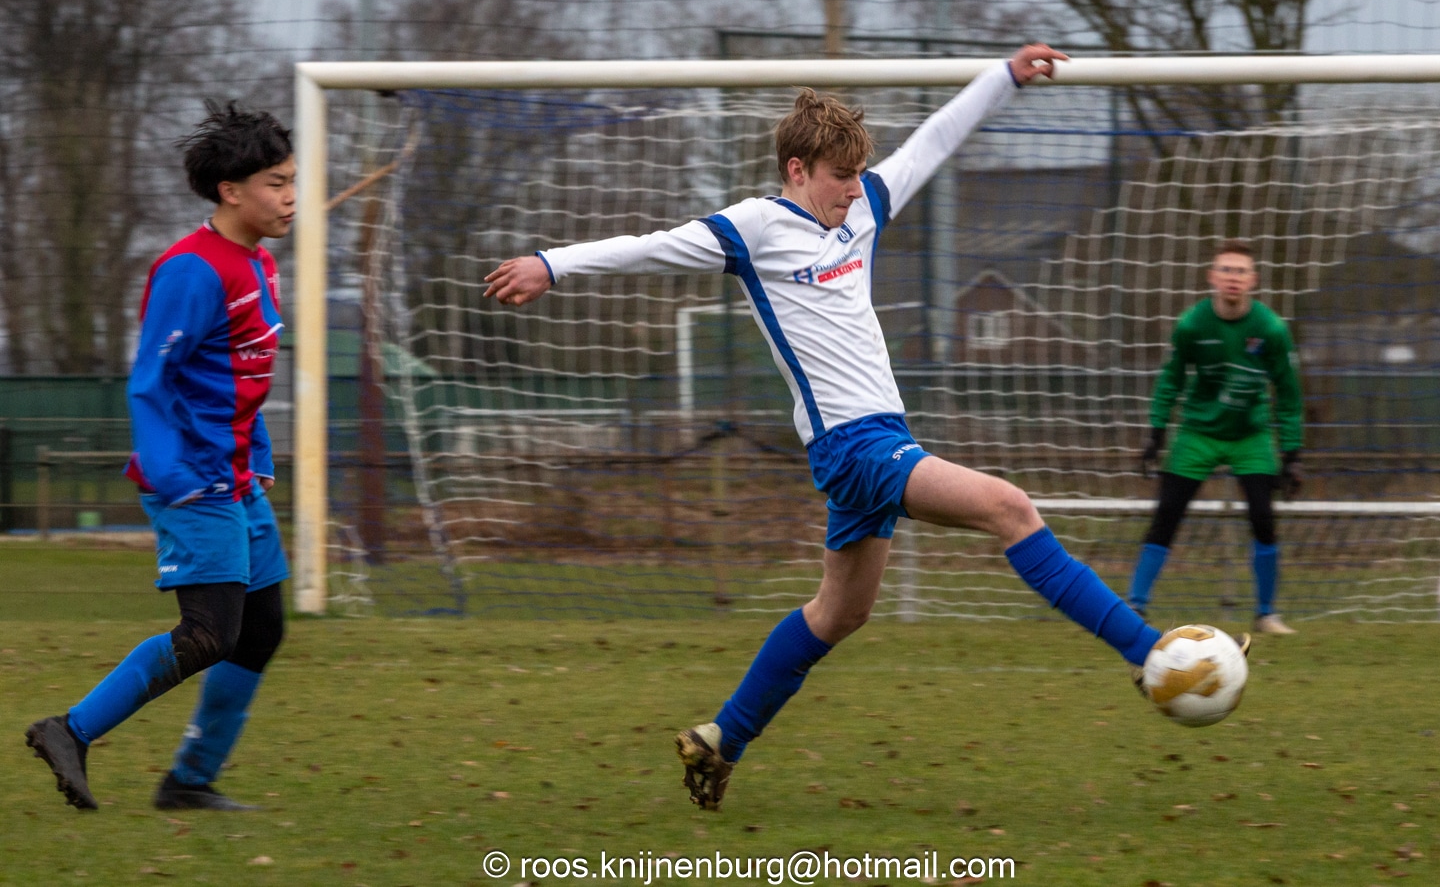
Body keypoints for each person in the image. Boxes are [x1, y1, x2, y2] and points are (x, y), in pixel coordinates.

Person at [485, 44, 1217, 813]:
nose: (852, 189)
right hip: (854, 446)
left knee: (840, 613)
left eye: (858, 174)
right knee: (1010, 507)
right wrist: (551, 264)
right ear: (797, 168)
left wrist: (1003, 76)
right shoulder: (755, 227)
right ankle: (1153, 657)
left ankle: (722, 738)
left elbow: (936, 139)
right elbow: (651, 247)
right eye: (840, 175)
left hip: (874, 440)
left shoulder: (862, 207)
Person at [25, 101, 294, 811]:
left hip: (237, 476)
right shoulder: (191, 271)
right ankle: (69, 730)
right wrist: (173, 475)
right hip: (194, 480)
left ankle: (189, 782)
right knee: (208, 634)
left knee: (260, 630)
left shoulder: (261, 264)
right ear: (230, 191)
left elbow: (241, 372)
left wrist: (259, 449)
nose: (290, 196)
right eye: (275, 183)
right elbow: (151, 379)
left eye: (292, 180)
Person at [1127, 239, 1304, 635]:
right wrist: (1156, 432)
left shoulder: (1271, 329)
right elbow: (1171, 380)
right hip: (1198, 432)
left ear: (1253, 280)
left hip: (1250, 434)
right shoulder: (1192, 325)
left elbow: (1288, 394)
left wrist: (1292, 453)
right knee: (1167, 513)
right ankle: (1135, 606)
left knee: (1263, 517)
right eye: (1226, 270)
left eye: (1240, 271)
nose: (1232, 278)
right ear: (1212, 277)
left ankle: (1266, 614)